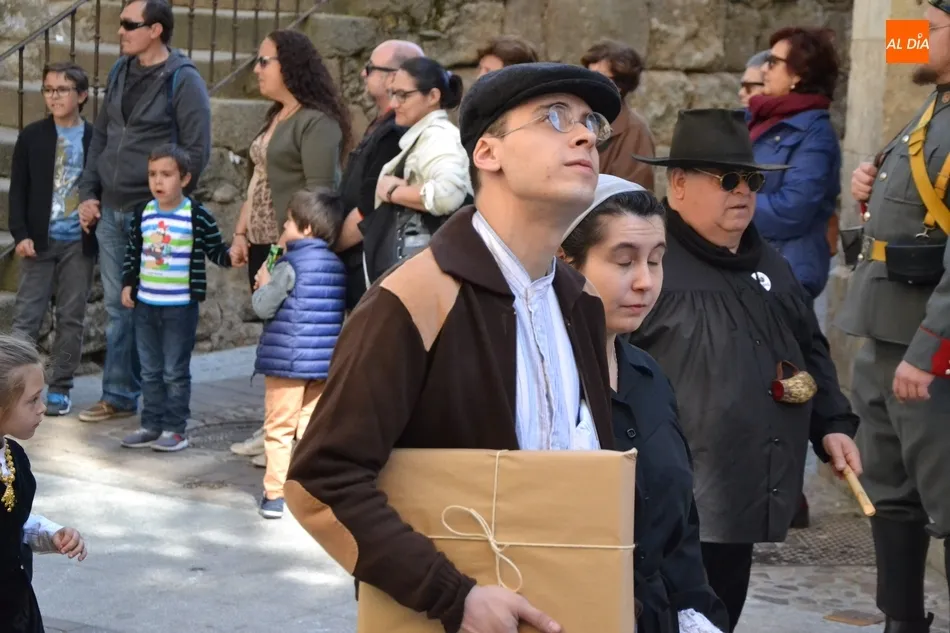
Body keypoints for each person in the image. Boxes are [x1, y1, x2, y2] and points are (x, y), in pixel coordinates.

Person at [285, 62, 622, 633]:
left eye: (591, 123)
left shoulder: (582, 301)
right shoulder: (412, 298)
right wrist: (454, 597)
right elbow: (320, 482)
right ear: (487, 153)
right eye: (554, 118)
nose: (585, 136)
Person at [629, 108, 862, 632]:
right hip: (667, 500)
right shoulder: (648, 261)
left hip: (742, 495)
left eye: (752, 181)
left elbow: (809, 347)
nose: (743, 192)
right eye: (727, 179)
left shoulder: (768, 261)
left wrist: (832, 424)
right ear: (679, 184)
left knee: (721, 612)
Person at [560, 175, 729, 633]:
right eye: (624, 261)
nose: (645, 282)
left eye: (655, 261)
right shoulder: (544, 387)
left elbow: (680, 523)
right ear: (565, 261)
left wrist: (695, 611)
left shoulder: (648, 376)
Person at [840, 2, 950, 630]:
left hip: (927, 351)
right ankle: (902, 621)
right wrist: (873, 180)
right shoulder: (931, 103)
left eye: (924, 29)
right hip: (885, 333)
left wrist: (929, 349)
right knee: (888, 494)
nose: (907, 38)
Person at [77, 0, 212, 424]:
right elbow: (102, 136)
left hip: (151, 214)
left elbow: (196, 151)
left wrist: (166, 204)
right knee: (119, 307)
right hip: (111, 207)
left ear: (156, 29)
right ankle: (119, 395)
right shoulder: (120, 70)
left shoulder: (184, 80)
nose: (120, 31)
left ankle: (154, 404)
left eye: (129, 24)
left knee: (150, 308)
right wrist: (88, 192)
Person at [750, 26, 843, 530]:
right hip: (755, 268)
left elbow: (794, 208)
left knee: (790, 384)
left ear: (799, 75)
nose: (764, 67)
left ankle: (787, 493)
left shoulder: (813, 132)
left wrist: (727, 205)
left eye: (774, 61)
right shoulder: (763, 119)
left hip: (787, 273)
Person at [118, 145, 232, 452]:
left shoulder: (195, 215)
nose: (158, 181)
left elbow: (216, 250)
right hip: (146, 306)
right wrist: (128, 284)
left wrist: (232, 256)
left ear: (184, 178)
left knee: (174, 371)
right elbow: (133, 253)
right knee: (149, 370)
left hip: (180, 308)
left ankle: (175, 428)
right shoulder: (144, 213)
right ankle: (150, 424)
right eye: (152, 174)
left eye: (166, 174)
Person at [230, 29, 352, 293]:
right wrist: (240, 234)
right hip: (260, 245)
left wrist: (276, 256)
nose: (256, 70)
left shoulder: (317, 122)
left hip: (291, 250)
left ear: (290, 65)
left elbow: (318, 198)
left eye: (264, 62)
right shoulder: (276, 115)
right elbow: (259, 176)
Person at [251, 188, 346, 520]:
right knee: (309, 428)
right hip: (322, 365)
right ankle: (309, 490)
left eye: (288, 222)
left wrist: (264, 282)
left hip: (287, 363)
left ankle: (274, 495)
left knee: (279, 428)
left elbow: (263, 307)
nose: (284, 228)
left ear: (306, 228)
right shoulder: (337, 266)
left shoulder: (289, 265)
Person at [8, 62, 96, 416]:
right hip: (38, 242)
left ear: (82, 95)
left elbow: (101, 184)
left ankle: (60, 386)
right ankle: (14, 388)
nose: (54, 96)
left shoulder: (94, 138)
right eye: (48, 89)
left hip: (79, 242)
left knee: (71, 317)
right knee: (26, 317)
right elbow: (18, 190)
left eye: (62, 89)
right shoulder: (32, 136)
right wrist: (21, 234)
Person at [0, 335, 88, 633]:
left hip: (16, 608)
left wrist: (51, 534)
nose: (42, 408)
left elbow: (12, 520)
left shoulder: (13, 457)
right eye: (32, 400)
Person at [362, 56, 472, 284]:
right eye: (393, 93)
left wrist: (392, 192)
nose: (394, 104)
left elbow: (447, 195)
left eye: (403, 95)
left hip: (429, 273)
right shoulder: (427, 136)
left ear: (433, 96)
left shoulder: (438, 136)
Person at [333, 40, 424, 311]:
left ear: (394, 77)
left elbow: (370, 207)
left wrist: (333, 245)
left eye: (370, 68)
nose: (363, 73)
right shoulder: (384, 123)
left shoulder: (397, 131)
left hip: (368, 263)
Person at [581, 40, 656, 190]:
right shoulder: (578, 118)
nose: (590, 83)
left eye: (599, 77)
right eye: (588, 75)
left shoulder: (635, 131)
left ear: (619, 86)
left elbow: (632, 193)